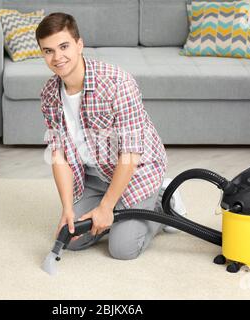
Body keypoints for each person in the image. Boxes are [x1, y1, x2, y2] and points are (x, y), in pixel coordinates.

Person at [36, 12, 168, 260]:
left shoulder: (117, 83)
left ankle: (160, 204)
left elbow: (131, 153)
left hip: (137, 172)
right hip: (96, 177)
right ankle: (118, 212)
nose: (57, 57)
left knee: (122, 249)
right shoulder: (49, 95)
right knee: (71, 240)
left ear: (79, 44)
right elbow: (59, 156)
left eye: (64, 46)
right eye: (48, 51)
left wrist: (106, 208)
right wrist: (67, 209)